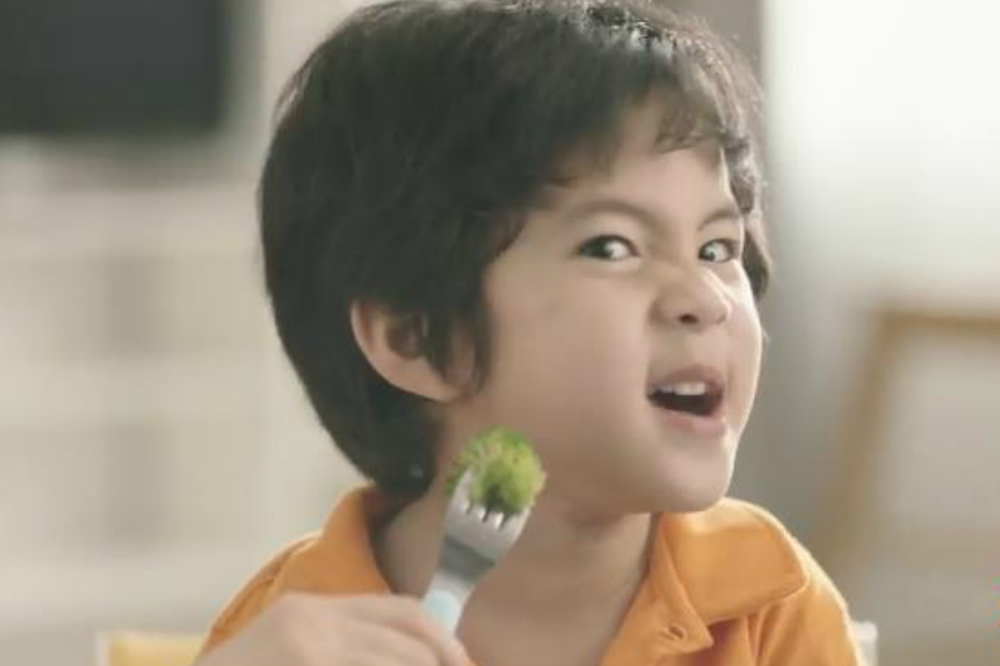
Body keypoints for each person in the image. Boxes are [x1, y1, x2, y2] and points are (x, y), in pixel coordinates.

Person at [194, 1, 864, 664]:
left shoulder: (770, 606)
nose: (703, 298)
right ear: (414, 338)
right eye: (610, 247)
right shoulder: (292, 637)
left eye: (716, 249)